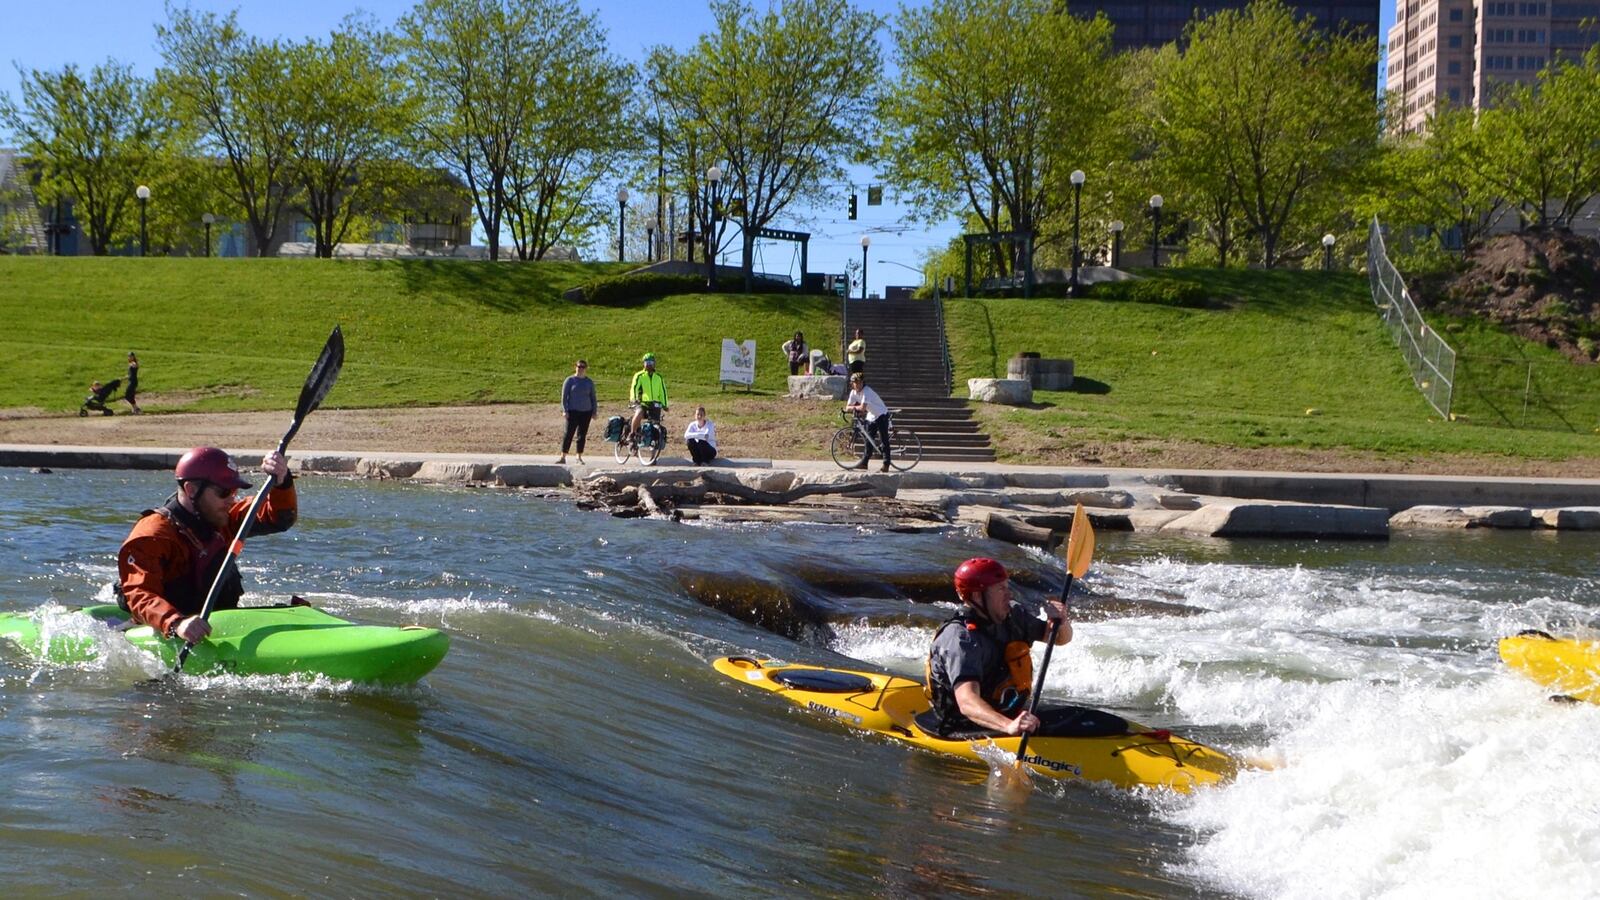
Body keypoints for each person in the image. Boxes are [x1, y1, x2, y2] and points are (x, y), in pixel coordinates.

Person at [116, 446, 297, 644]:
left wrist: (283, 481)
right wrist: (176, 623)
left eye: (235, 491)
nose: (231, 499)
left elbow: (278, 517)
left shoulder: (224, 517)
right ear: (191, 490)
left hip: (212, 622)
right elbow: (139, 594)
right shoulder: (152, 534)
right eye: (224, 492)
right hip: (169, 626)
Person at [923, 558, 1077, 738]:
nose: (1008, 594)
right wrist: (1008, 726)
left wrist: (1060, 621)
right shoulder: (960, 639)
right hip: (963, 725)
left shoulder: (1013, 616)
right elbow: (967, 702)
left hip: (1007, 713)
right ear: (976, 596)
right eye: (1000, 589)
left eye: (1007, 586)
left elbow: (1059, 639)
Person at [845, 372, 892, 472]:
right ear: (852, 384)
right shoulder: (853, 393)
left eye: (860, 383)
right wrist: (853, 408)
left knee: (884, 439)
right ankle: (864, 463)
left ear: (863, 383)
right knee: (868, 440)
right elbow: (847, 407)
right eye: (856, 383)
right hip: (871, 415)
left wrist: (853, 408)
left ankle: (886, 464)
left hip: (881, 413)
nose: (858, 385)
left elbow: (862, 408)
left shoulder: (867, 391)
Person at [558, 358, 597, 464]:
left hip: (586, 412)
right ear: (575, 367)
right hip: (572, 411)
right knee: (568, 434)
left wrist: (594, 411)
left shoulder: (589, 382)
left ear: (586, 369)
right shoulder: (570, 380)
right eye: (578, 366)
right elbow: (564, 397)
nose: (580, 369)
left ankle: (578, 456)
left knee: (582, 435)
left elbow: (593, 397)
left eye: (582, 367)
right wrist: (565, 410)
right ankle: (563, 456)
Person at [628, 352, 668, 440]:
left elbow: (662, 392)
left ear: (654, 364)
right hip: (641, 402)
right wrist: (634, 399)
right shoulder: (639, 376)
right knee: (639, 413)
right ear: (643, 364)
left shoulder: (658, 377)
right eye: (647, 362)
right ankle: (632, 434)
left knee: (655, 424)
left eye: (651, 362)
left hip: (654, 404)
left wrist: (665, 405)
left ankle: (652, 444)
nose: (649, 365)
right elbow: (634, 388)